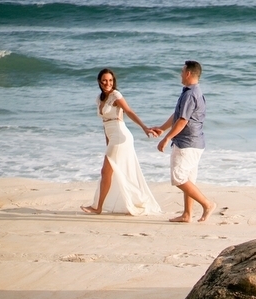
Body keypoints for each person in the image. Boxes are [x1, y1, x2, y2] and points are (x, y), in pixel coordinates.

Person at [81, 69, 163, 216]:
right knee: (114, 172)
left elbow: (129, 111)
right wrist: (107, 143)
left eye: (111, 81)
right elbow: (105, 124)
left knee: (106, 172)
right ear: (99, 81)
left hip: (121, 136)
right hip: (113, 137)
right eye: (105, 80)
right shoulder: (99, 99)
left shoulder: (115, 95)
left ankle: (98, 207)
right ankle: (124, 203)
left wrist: (144, 127)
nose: (108, 83)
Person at [153, 60, 215, 223]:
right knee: (189, 178)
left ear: (188, 73)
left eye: (182, 71)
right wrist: (163, 128)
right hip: (196, 142)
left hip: (187, 143)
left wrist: (166, 138)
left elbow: (182, 120)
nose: (180, 74)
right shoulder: (195, 92)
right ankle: (187, 214)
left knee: (179, 178)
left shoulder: (189, 94)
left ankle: (207, 204)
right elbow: (177, 115)